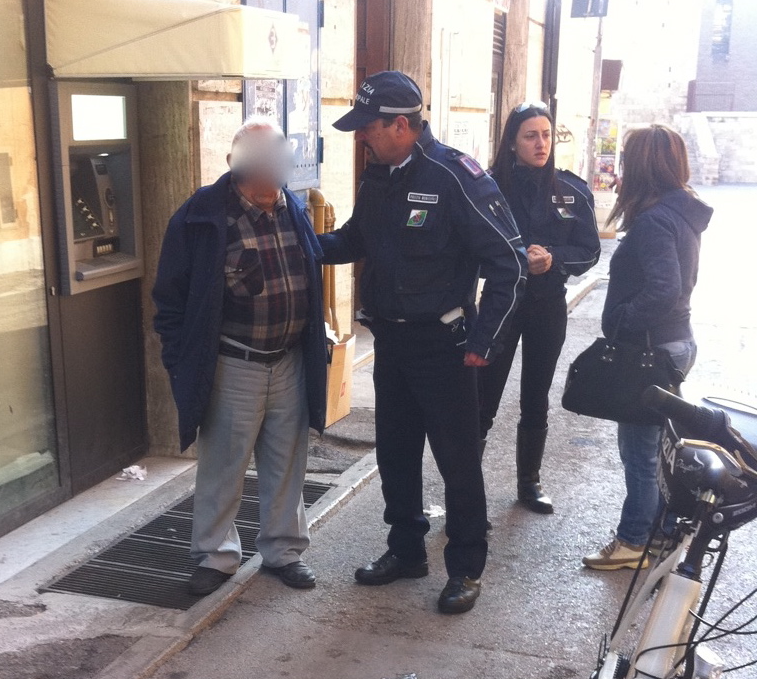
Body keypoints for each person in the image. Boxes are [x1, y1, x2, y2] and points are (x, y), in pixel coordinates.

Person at [320, 71, 527, 614]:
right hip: (391, 342)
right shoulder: (378, 176)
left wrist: (485, 339)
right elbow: (356, 238)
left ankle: (466, 568)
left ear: (400, 125)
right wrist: (300, 244)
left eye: (368, 127)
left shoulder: (454, 175)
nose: (361, 136)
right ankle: (406, 550)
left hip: (446, 347)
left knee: (458, 462)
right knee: (396, 454)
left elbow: (509, 262)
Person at [152, 118, 328, 596]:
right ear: (235, 162)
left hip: (289, 360)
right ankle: (215, 556)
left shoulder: (294, 207)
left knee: (286, 462)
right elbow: (169, 301)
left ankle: (283, 550)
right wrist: (180, 363)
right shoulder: (199, 217)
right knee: (223, 466)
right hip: (233, 363)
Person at [583, 124, 712, 571]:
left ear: (642, 167)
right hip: (674, 343)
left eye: (626, 159)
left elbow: (664, 289)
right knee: (657, 449)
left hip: (652, 350)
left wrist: (621, 321)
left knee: (639, 452)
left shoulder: (656, 220)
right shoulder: (679, 212)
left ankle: (633, 540)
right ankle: (658, 532)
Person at [479, 101, 600, 513]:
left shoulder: (570, 190)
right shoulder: (487, 188)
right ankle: (466, 489)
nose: (541, 143)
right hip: (501, 304)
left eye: (546, 135)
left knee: (536, 395)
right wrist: (515, 260)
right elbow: (467, 247)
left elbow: (590, 249)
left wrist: (554, 258)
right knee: (483, 397)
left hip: (547, 304)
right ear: (512, 142)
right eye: (531, 135)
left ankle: (529, 483)